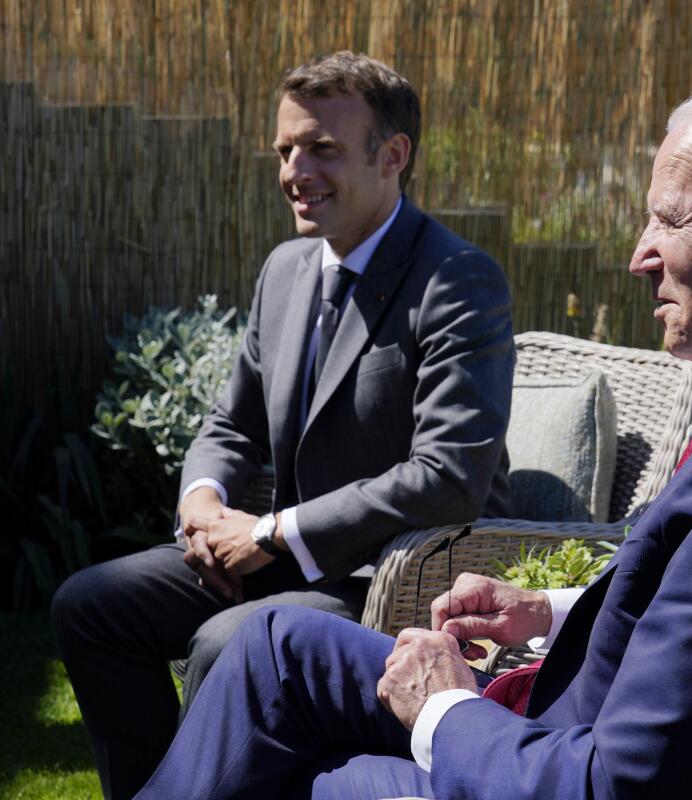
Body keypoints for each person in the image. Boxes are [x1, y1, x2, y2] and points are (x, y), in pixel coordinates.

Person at [133, 82, 692, 800]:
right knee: (277, 647)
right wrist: (556, 610)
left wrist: (439, 711)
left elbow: (616, 785)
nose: (639, 256)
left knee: (326, 779)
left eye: (670, 220)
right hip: (575, 720)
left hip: (561, 764)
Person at [51, 51, 515, 800]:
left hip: (381, 576)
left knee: (222, 644)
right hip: (276, 559)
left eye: (322, 149)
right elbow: (229, 424)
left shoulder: (456, 280)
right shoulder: (286, 270)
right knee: (92, 605)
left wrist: (268, 534)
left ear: (393, 155)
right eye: (285, 150)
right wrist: (201, 501)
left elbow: (449, 476)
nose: (295, 170)